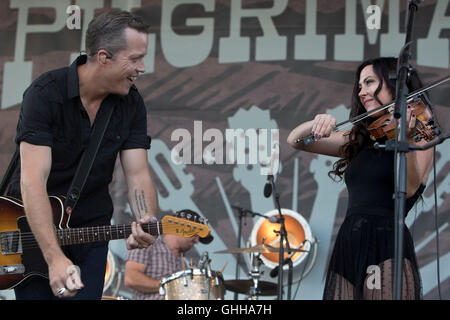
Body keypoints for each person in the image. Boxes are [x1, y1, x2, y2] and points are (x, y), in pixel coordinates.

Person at [6, 9, 158, 300]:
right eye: (135, 58)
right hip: (34, 231)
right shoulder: (45, 94)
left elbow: (138, 173)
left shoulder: (132, 104)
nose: (142, 68)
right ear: (103, 57)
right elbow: (32, 180)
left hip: (91, 229)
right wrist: (54, 258)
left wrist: (146, 218)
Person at [287, 57, 434, 300]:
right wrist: (316, 123)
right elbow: (296, 141)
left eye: (369, 82)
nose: (361, 91)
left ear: (394, 84)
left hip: (386, 241)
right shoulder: (361, 138)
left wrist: (404, 140)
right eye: (359, 86)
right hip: (351, 241)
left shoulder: (420, 133)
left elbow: (408, 189)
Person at [124, 209, 213, 300]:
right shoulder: (147, 243)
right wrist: (172, 285)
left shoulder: (183, 262)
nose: (197, 241)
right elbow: (131, 279)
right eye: (195, 235)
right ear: (182, 227)